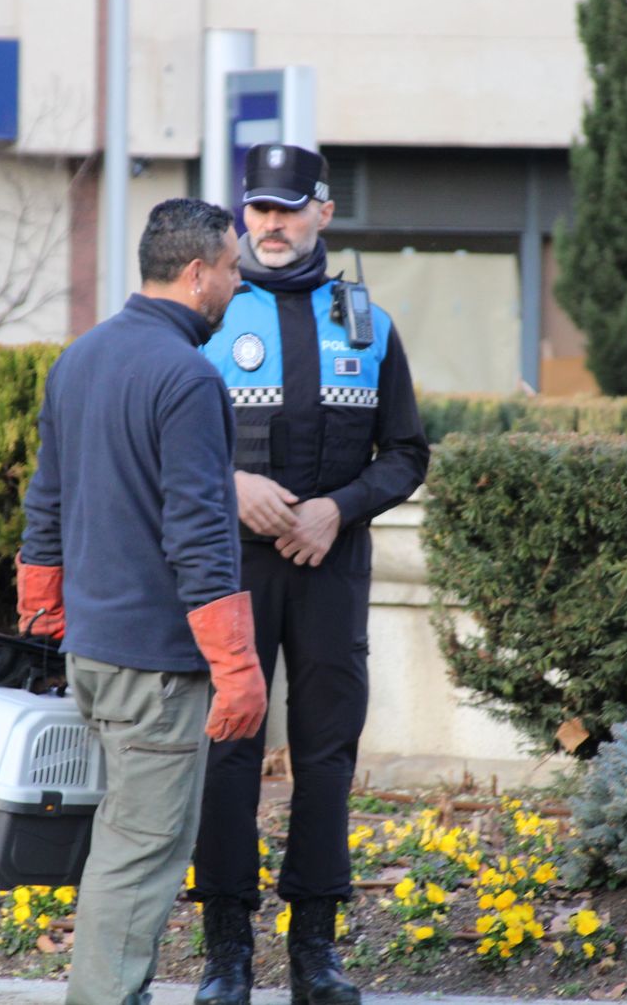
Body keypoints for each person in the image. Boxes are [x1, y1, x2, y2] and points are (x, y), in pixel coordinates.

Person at [191, 145, 430, 1005]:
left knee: (327, 756)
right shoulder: (209, 317)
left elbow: (407, 454)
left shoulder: (369, 323)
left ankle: (315, 954)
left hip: (331, 566)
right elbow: (163, 449)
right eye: (258, 209)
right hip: (232, 570)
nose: (272, 225)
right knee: (229, 751)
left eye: (288, 209)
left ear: (323, 212)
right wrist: (233, 486)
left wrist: (342, 508)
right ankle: (226, 955)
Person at [19, 198, 270, 1005]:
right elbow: (200, 534)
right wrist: (238, 667)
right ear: (196, 275)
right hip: (157, 671)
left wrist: (45, 616)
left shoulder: (80, 359)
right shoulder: (188, 378)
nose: (238, 282)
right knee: (139, 859)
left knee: (118, 849)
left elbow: (44, 505)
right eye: (232, 269)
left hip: (94, 654)